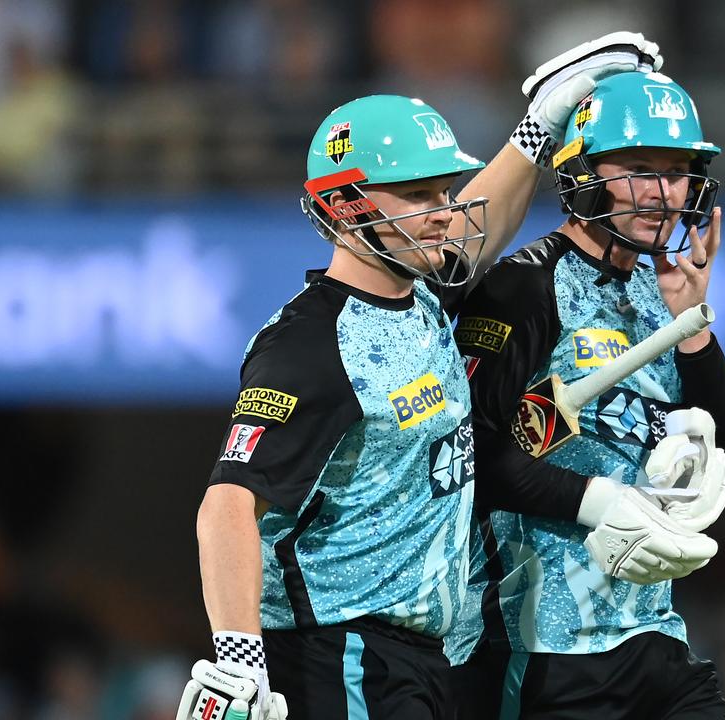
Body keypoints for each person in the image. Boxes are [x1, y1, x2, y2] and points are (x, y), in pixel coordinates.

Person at [176, 34, 665, 720]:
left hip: (422, 658)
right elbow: (227, 506)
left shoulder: (423, 297)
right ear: (347, 209)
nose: (443, 208)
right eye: (417, 193)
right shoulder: (309, 346)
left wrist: (540, 124)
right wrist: (240, 658)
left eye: (444, 187)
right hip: (337, 653)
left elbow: (480, 233)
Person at [449, 70, 725, 719]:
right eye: (640, 168)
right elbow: (469, 457)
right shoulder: (523, 288)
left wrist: (693, 330)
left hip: (655, 637)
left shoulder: (662, 286)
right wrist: (596, 501)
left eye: (677, 172)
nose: (662, 192)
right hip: (543, 648)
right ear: (582, 170)